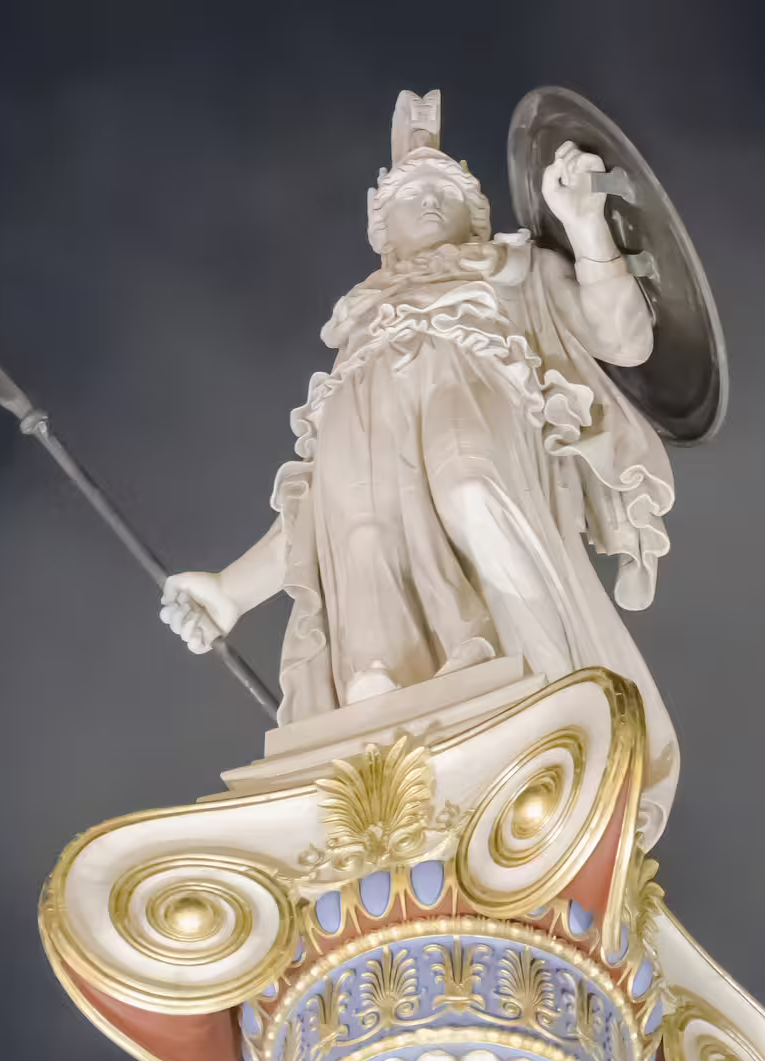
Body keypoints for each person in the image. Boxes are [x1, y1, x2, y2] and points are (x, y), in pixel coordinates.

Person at [159, 90, 679, 837]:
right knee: (358, 524)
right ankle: (384, 677)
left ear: (476, 213)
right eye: (412, 195)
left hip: (479, 400)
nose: (430, 203)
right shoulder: (360, 323)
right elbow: (312, 513)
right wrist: (229, 593)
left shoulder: (513, 270)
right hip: (365, 424)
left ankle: (543, 679)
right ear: (382, 228)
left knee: (470, 486)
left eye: (446, 193)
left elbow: (623, 339)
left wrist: (587, 226)